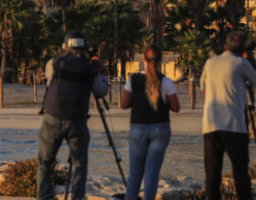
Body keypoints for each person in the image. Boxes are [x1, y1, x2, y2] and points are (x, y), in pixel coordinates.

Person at [37, 31, 109, 200]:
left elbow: (50, 81)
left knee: (45, 162)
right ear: (85, 48)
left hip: (52, 117)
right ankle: (77, 197)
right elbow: (102, 91)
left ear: (65, 47)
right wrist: (101, 70)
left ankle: (45, 197)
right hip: (77, 120)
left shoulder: (54, 63)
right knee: (79, 163)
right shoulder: (90, 69)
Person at [201, 30, 256, 200]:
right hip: (234, 125)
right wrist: (251, 59)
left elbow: (204, 89)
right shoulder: (240, 63)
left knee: (212, 172)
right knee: (240, 171)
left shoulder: (210, 63)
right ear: (243, 48)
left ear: (226, 46)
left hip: (211, 124)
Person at [120, 45, 180, 200]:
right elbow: (176, 107)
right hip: (160, 128)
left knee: (135, 172)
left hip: (138, 127)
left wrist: (138, 101)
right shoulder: (165, 81)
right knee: (152, 172)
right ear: (160, 60)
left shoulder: (134, 79)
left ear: (144, 59)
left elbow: (123, 104)